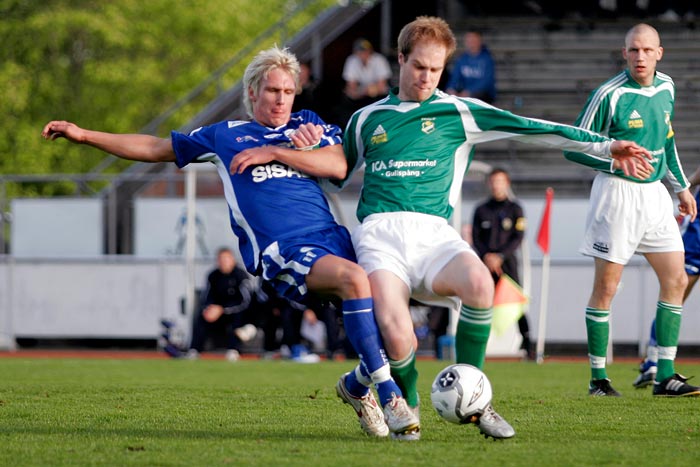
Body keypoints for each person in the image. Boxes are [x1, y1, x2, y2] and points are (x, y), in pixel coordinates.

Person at [41, 46, 419, 439]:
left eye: (288, 91)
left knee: (392, 318)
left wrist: (303, 150)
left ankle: (357, 385)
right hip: (283, 249)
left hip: (333, 238)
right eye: (273, 90)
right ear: (253, 91)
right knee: (355, 281)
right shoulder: (225, 135)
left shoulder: (310, 125)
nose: (281, 99)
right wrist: (83, 135)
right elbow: (156, 148)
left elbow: (341, 164)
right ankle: (391, 396)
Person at [340, 16, 653, 440]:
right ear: (400, 59)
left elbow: (533, 129)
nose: (427, 77)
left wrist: (603, 145)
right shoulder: (364, 119)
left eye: (435, 69)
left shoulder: (460, 111)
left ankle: (477, 399)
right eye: (418, 67)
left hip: (434, 234)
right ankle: (405, 409)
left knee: (480, 285)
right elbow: (335, 170)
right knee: (399, 336)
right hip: (379, 235)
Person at [564, 23, 700, 397]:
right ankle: (598, 379)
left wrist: (682, 188)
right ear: (624, 53)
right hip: (616, 195)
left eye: (646, 50)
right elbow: (572, 146)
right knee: (606, 288)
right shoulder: (609, 94)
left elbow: (667, 140)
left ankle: (665, 375)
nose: (640, 57)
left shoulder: (667, 87)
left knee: (675, 280)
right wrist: (614, 162)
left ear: (660, 53)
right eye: (633, 50)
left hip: (656, 197)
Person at [633, 166, 700, 389]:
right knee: (676, 292)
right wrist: (687, 187)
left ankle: (653, 361)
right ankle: (654, 361)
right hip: (697, 232)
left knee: (677, 293)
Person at [471, 168, 533, 360]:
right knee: (481, 302)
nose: (496, 185)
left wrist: (500, 256)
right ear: (489, 184)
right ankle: (478, 344)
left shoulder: (515, 209)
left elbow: (518, 237)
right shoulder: (481, 209)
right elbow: (476, 237)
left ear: (506, 183)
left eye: (500, 181)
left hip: (507, 263)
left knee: (515, 302)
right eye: (493, 181)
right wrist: (487, 257)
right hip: (485, 264)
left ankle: (528, 343)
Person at [185, 246, 256, 361]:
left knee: (237, 319)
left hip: (236, 313)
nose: (224, 262)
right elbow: (206, 297)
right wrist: (210, 309)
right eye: (221, 259)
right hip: (217, 314)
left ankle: (234, 350)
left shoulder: (240, 276)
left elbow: (245, 301)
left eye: (226, 259)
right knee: (201, 316)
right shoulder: (213, 276)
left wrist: (223, 309)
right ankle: (194, 350)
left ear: (232, 260)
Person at [336, 38, 392, 126]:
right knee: (345, 105)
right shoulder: (352, 60)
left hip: (379, 97)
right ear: (355, 52)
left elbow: (382, 87)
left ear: (370, 51)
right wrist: (367, 90)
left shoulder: (379, 60)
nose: (363, 54)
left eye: (365, 51)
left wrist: (362, 91)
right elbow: (351, 89)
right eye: (360, 51)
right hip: (360, 99)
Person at [445, 30, 496, 104]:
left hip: (483, 94)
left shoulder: (487, 59)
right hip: (464, 93)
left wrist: (469, 91)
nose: (471, 43)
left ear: (479, 41)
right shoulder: (462, 59)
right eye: (468, 41)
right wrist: (451, 88)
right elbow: (455, 77)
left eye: (473, 40)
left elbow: (486, 82)